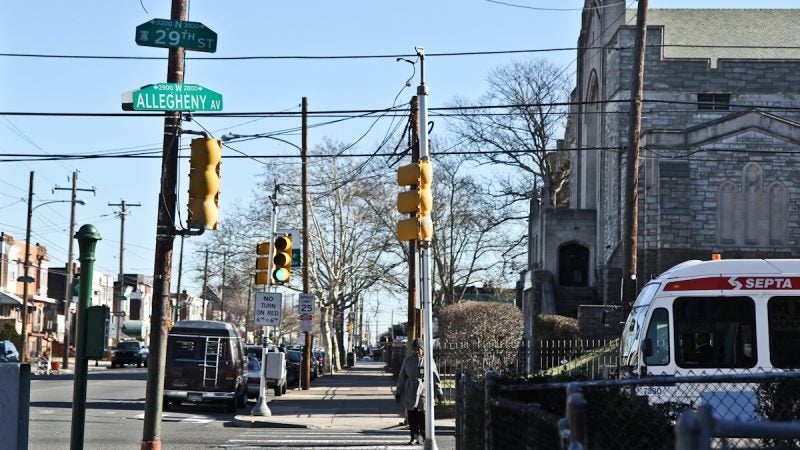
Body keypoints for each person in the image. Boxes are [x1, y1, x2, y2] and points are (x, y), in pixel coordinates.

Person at [395, 338, 443, 445]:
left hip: (423, 390)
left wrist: (439, 391)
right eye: (414, 349)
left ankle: (425, 435)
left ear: (423, 349)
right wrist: (398, 391)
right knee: (412, 415)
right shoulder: (407, 360)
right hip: (410, 390)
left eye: (418, 349)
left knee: (423, 414)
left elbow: (435, 377)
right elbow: (402, 376)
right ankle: (414, 436)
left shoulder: (428, 360)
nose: (416, 351)